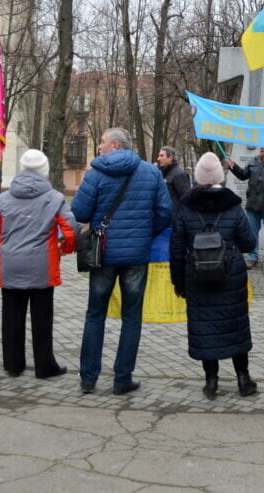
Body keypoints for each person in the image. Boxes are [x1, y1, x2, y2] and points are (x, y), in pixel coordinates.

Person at [72, 127, 172, 395]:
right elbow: (165, 211)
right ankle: (122, 378)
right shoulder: (151, 172)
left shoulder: (95, 174)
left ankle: (88, 378)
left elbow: (80, 211)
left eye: (103, 142)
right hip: (137, 256)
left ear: (115, 145)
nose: (100, 147)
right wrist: (145, 234)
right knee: (132, 317)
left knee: (95, 314)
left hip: (102, 254)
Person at [170, 152, 258, 400]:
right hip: (231, 277)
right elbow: (249, 243)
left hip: (196, 277)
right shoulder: (234, 206)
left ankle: (211, 383)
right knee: (235, 327)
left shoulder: (185, 207)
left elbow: (176, 249)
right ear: (220, 177)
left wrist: (179, 281)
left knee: (204, 328)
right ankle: (243, 379)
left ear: (198, 177)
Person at [0, 149, 77, 378]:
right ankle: (44, 366)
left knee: (11, 317)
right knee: (42, 319)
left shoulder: (4, 198)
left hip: (11, 264)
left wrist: (12, 244)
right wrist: (65, 249)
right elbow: (71, 231)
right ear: (45, 171)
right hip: (42, 265)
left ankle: (13, 364)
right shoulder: (54, 198)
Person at [156, 146, 191, 215]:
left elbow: (187, 199)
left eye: (162, 156)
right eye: (159, 156)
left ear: (170, 158)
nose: (158, 159)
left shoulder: (179, 174)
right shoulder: (162, 173)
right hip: (164, 217)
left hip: (174, 219)